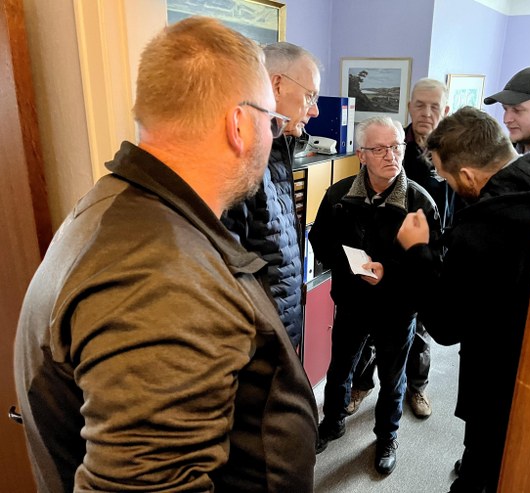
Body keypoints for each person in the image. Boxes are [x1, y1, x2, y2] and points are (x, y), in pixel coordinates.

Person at [13, 17, 317, 493]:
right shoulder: (162, 278)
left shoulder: (115, 203)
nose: (272, 135)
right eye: (270, 121)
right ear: (239, 124)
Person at [397, 106, 530, 493]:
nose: (447, 184)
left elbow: (445, 325)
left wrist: (418, 251)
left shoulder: (483, 230)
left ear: (467, 175)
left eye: (446, 176)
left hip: (496, 371)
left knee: (481, 469)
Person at [309, 116, 439, 475]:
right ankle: (332, 422)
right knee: (340, 368)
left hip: (397, 308)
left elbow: (431, 266)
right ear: (361, 154)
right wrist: (351, 265)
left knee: (392, 378)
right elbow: (321, 243)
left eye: (396, 146)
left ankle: (386, 437)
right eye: (379, 149)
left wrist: (388, 272)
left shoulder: (419, 202)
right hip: (352, 301)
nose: (390, 155)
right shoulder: (338, 196)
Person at [347, 78, 453, 419]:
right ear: (409, 106)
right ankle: (362, 384)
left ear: (445, 110)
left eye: (434, 106)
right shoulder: (391, 140)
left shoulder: (452, 151)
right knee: (371, 331)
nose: (426, 112)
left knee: (418, 332)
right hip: (382, 251)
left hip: (426, 253)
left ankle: (416, 387)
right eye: (419, 105)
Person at [222, 42, 321, 349]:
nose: (315, 110)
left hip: (281, 322)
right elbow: (230, 268)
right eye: (310, 96)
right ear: (277, 85)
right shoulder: (241, 156)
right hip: (261, 337)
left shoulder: (277, 144)